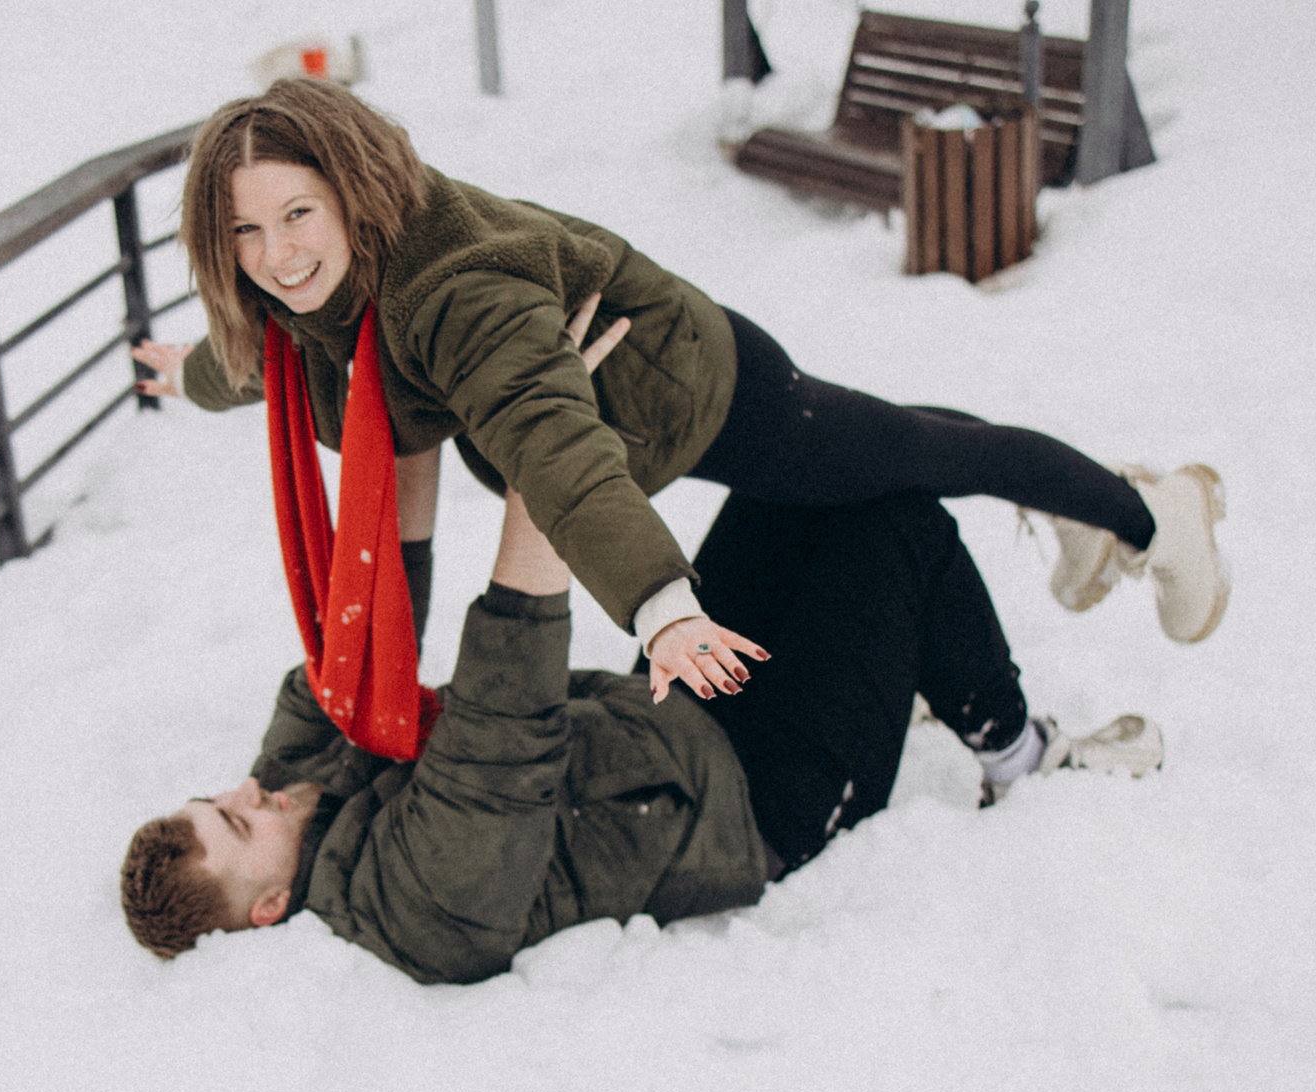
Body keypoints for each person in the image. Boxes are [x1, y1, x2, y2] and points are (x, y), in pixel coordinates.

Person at [132, 77, 1230, 717]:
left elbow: (555, 448)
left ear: (352, 192)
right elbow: (262, 355)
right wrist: (186, 370)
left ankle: (1150, 512)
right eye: (245, 229)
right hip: (630, 418)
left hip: (704, 391)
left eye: (298, 214)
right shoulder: (308, 298)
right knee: (903, 447)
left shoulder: (456, 292)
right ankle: (1094, 505)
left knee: (916, 454)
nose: (276, 254)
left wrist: (659, 601)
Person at [120, 486, 1163, 984]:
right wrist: (543, 461)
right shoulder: (413, 906)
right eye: (237, 823)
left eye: (220, 797)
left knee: (799, 486)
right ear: (269, 907)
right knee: (900, 526)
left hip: (659, 716)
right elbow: (501, 716)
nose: (250, 790)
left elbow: (359, 619)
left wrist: (404, 421)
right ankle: (1020, 754)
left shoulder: (295, 792)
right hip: (758, 803)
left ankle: (926, 641)